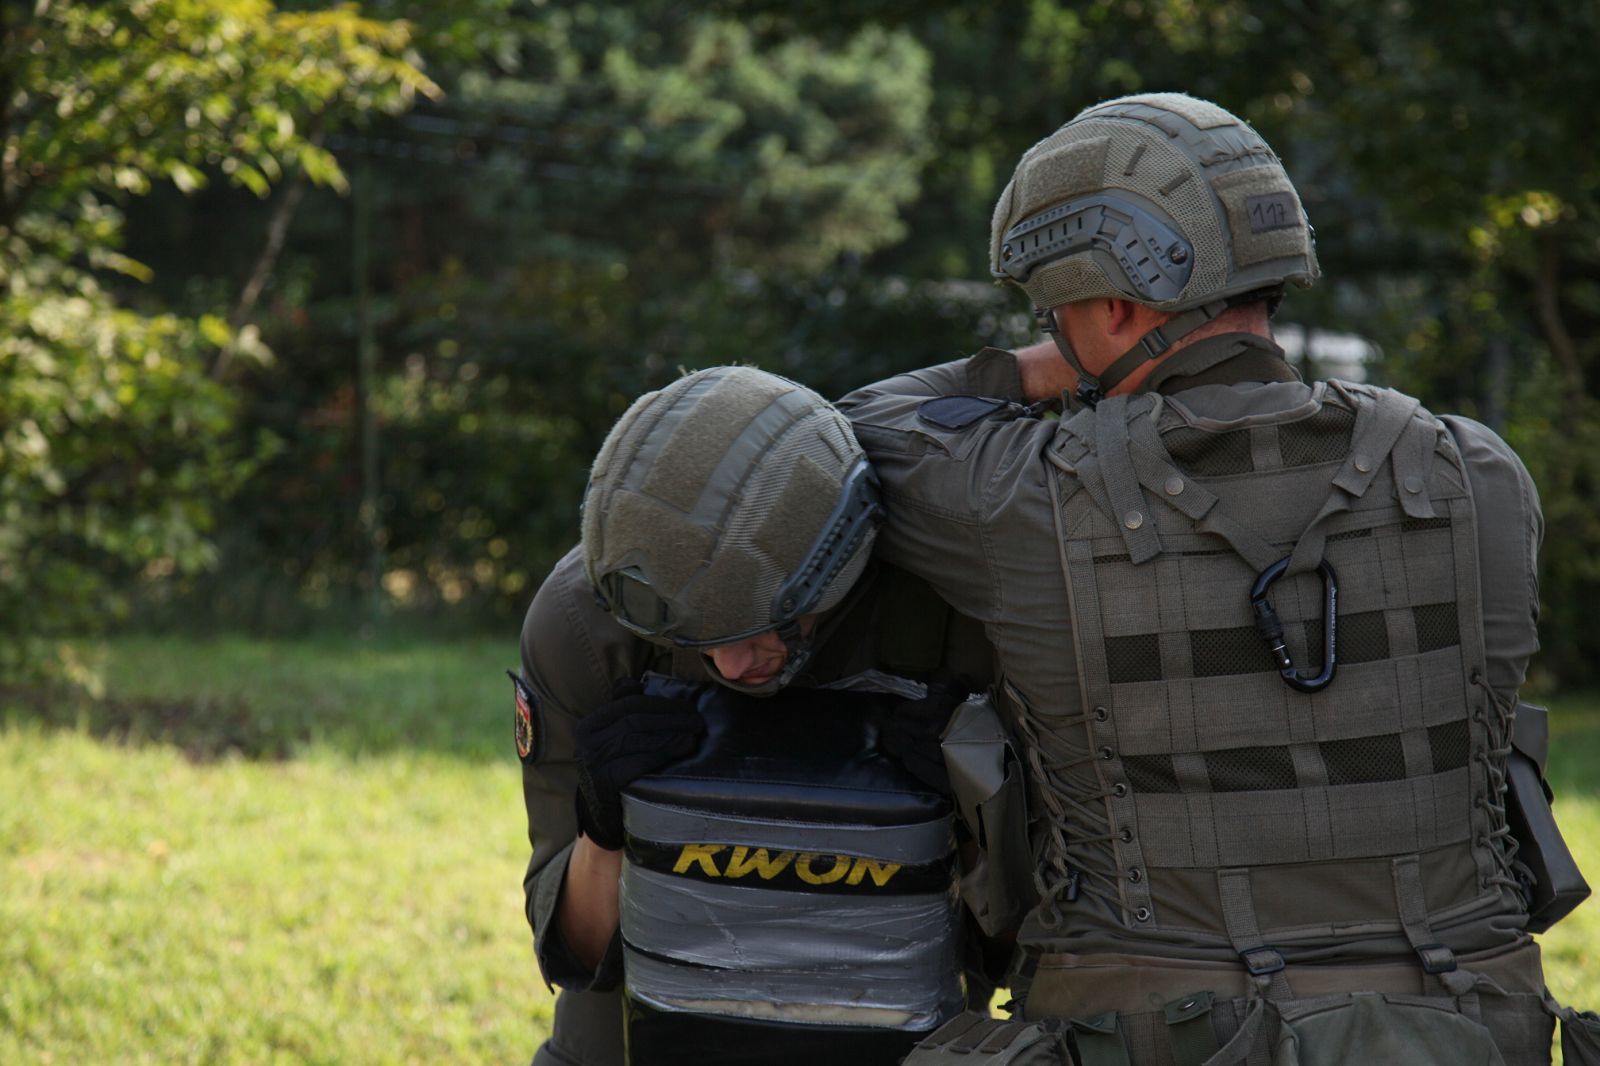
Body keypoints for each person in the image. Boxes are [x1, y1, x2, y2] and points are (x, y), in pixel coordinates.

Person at [838, 92, 1569, 1064]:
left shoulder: (1030, 499)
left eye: (1057, 311)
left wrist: (1044, 371)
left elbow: (853, 434)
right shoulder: (1473, 474)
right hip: (1459, 1023)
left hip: (1153, 1029)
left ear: (1114, 306)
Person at [514, 365, 995, 1066]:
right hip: (639, 1027)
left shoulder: (955, 615)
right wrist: (605, 828)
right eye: (697, 640)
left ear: (838, 558)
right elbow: (579, 956)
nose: (733, 665)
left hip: (896, 1020)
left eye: (761, 625)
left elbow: (1027, 943)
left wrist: (977, 815)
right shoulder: (588, 628)